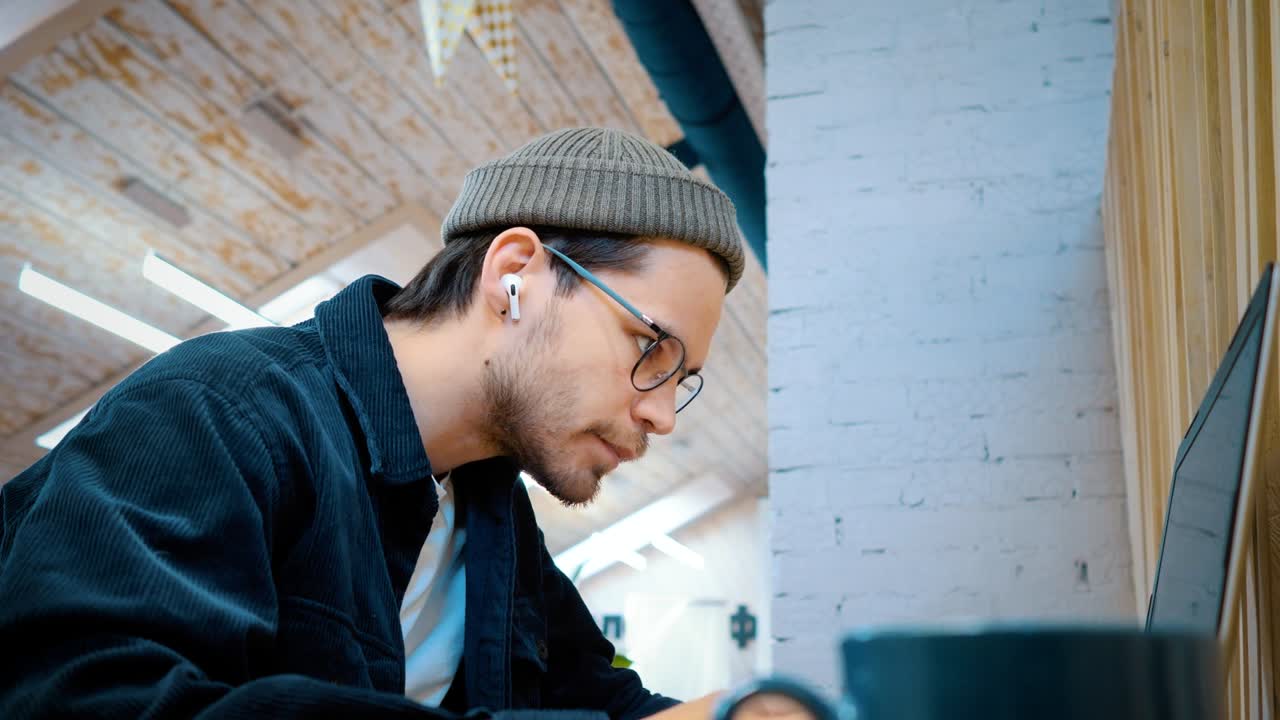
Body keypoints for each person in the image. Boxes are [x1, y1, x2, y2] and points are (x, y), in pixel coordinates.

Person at [0, 127, 744, 719]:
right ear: (515, 273)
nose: (661, 413)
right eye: (652, 348)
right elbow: (82, 696)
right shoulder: (221, 411)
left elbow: (604, 701)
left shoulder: (493, 513)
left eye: (683, 381)